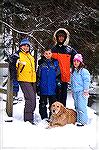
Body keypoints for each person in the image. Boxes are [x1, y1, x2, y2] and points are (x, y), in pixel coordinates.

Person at [9, 38, 36, 124]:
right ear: (20, 46)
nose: (26, 47)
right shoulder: (18, 55)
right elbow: (12, 67)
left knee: (33, 100)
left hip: (32, 80)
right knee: (30, 99)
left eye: (27, 45)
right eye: (24, 45)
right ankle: (28, 120)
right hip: (24, 79)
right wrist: (14, 79)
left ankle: (30, 117)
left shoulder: (30, 56)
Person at [51, 28, 77, 106]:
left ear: (65, 38)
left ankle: (63, 116)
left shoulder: (70, 50)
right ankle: (54, 116)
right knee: (55, 97)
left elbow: (77, 59)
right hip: (55, 78)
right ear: (56, 37)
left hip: (65, 78)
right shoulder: (53, 49)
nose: (61, 38)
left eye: (63, 36)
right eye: (59, 36)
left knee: (63, 98)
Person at [37, 48, 60, 120]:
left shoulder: (55, 63)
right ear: (44, 54)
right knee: (43, 104)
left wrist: (58, 86)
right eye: (46, 53)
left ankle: (52, 117)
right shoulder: (41, 64)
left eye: (49, 53)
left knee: (52, 104)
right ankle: (44, 118)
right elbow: (38, 76)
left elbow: (58, 75)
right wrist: (38, 87)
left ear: (51, 54)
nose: (48, 55)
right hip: (43, 88)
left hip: (52, 88)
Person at [71, 54, 90, 126]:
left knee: (81, 106)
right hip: (75, 92)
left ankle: (83, 122)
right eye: (74, 61)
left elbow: (86, 81)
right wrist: (72, 91)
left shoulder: (84, 71)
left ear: (80, 63)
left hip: (82, 92)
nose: (75, 63)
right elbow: (72, 82)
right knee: (77, 106)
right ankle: (79, 120)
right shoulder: (74, 71)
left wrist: (86, 90)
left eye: (77, 61)